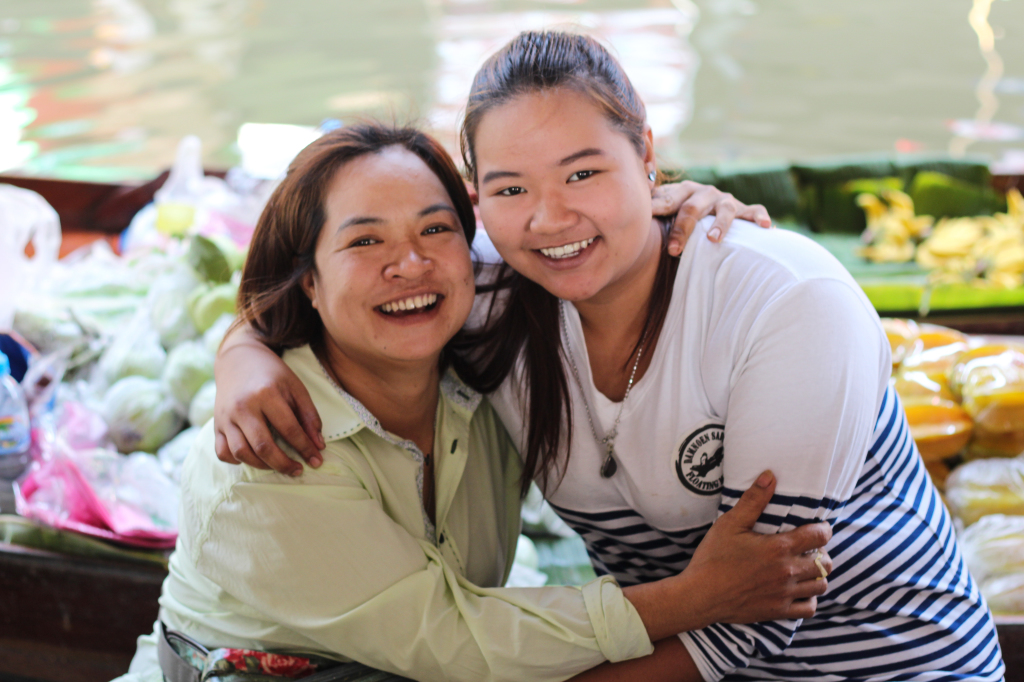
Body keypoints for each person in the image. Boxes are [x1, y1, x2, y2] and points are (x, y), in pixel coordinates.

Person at [217, 31, 1005, 681]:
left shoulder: (784, 304)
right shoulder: (482, 292)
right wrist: (244, 351)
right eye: (511, 189)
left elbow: (755, 613)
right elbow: (336, 293)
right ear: (479, 199)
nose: (550, 218)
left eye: (584, 172)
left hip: (893, 664)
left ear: (647, 156)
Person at [118, 123, 832, 682]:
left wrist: (682, 214)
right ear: (308, 281)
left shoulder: (482, 370)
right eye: (366, 240)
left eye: (437, 229)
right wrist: (697, 597)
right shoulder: (271, 448)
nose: (410, 264)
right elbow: (453, 639)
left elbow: (574, 241)